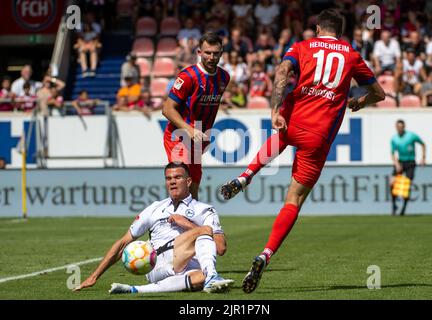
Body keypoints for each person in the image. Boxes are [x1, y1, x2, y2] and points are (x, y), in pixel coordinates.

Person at [220, 9, 385, 293]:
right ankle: (265, 254)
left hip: (293, 118)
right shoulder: (351, 54)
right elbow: (379, 93)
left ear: (318, 28)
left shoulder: (302, 46)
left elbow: (283, 71)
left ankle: (246, 176)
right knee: (293, 201)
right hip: (319, 135)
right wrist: (361, 101)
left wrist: (274, 109)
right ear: (340, 32)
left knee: (281, 136)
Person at [75, 162, 233, 294]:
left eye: (177, 177)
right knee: (204, 230)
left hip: (187, 266)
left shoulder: (204, 210)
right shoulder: (155, 208)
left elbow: (220, 248)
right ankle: (212, 276)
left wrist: (187, 224)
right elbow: (124, 242)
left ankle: (135, 290)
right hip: (155, 263)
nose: (172, 182)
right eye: (168, 178)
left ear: (189, 181)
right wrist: (94, 276)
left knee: (200, 278)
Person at [162, 32, 230, 200]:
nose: (211, 57)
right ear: (199, 52)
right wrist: (189, 129)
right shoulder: (188, 76)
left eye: (215, 53)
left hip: (198, 139)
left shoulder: (224, 77)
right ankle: (170, 222)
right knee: (182, 184)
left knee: (193, 187)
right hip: (179, 135)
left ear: (221, 53)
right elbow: (167, 109)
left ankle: (191, 224)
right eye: (207, 52)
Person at [391, 120, 426, 216]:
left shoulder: (411, 136)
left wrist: (423, 158)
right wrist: (396, 163)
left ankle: (403, 209)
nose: (400, 128)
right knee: (392, 182)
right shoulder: (394, 139)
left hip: (410, 162)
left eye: (401, 126)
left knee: (406, 186)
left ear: (404, 127)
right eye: (398, 126)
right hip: (401, 162)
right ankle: (394, 205)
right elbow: (393, 153)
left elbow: (422, 144)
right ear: (396, 127)